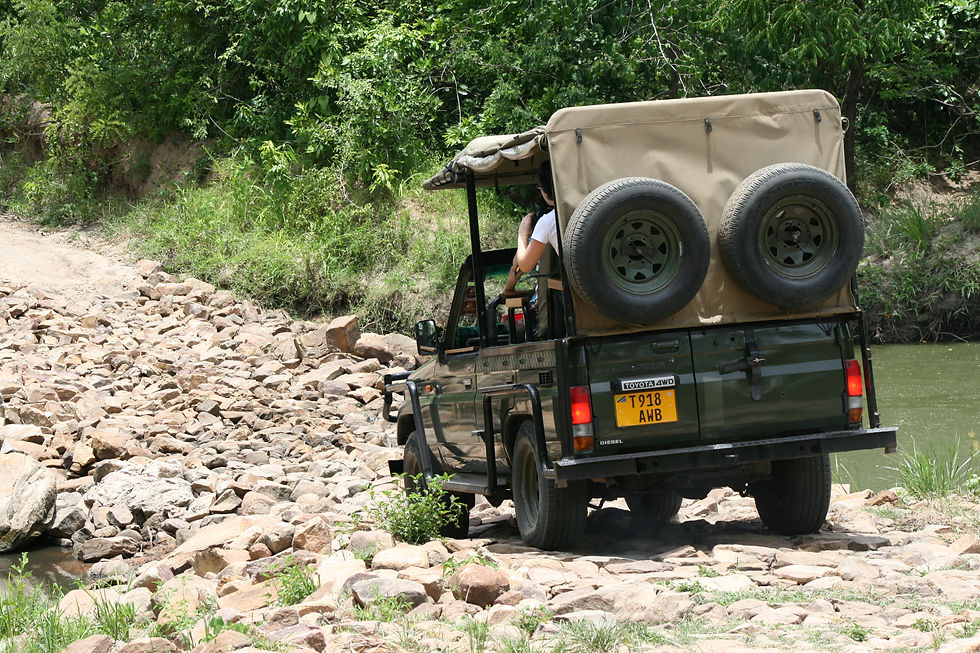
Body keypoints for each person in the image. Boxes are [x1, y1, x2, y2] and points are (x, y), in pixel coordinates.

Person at [504, 161, 557, 295]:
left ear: (544, 191)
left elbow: (523, 265)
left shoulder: (547, 221)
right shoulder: (594, 205)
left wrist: (522, 234)